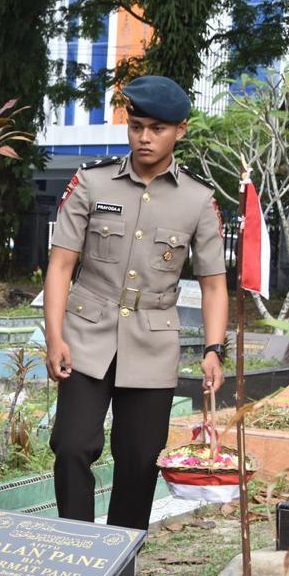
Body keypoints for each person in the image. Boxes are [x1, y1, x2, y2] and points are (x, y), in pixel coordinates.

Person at [44, 75, 228, 536]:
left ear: (180, 131)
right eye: (136, 126)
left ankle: (119, 569)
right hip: (86, 335)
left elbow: (213, 285)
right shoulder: (91, 181)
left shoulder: (198, 199)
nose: (144, 137)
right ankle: (76, 553)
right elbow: (61, 265)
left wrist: (213, 349)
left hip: (153, 342)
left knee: (140, 459)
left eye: (157, 128)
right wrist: (54, 337)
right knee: (71, 446)